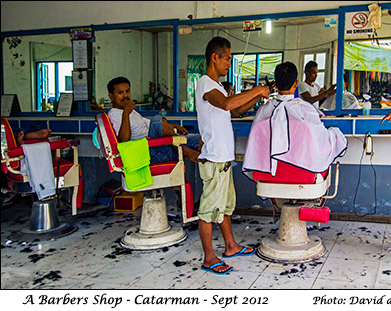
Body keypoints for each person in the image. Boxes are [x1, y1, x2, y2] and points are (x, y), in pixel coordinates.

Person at [195, 36, 270, 275]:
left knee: (225, 207)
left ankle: (230, 246)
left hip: (223, 158)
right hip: (214, 158)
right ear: (214, 57)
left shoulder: (217, 86)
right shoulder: (206, 84)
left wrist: (257, 97)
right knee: (208, 211)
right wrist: (256, 89)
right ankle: (209, 257)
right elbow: (227, 104)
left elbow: (235, 109)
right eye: (227, 58)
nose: (229, 63)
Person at [243, 61, 347, 179]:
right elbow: (321, 140)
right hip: (302, 175)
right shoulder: (306, 109)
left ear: (275, 84)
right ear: (296, 83)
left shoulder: (264, 110)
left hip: (269, 175)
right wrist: (334, 134)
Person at [107, 77, 200, 163]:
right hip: (150, 153)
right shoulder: (114, 114)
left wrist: (174, 126)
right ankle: (185, 151)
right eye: (120, 93)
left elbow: (152, 126)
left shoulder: (132, 112)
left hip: (162, 147)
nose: (125, 95)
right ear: (111, 96)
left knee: (200, 139)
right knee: (156, 119)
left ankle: (208, 173)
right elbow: (124, 141)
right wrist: (126, 114)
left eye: (127, 91)